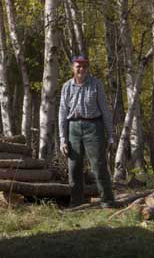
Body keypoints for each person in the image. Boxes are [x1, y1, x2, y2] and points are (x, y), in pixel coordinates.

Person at [58, 55, 115, 208]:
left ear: (87, 68)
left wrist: (110, 135)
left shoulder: (96, 84)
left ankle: (107, 201)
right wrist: (63, 139)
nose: (81, 69)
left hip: (93, 127)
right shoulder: (66, 87)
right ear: (73, 68)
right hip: (73, 128)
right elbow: (62, 113)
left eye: (84, 66)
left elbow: (105, 110)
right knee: (74, 166)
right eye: (78, 66)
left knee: (99, 165)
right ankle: (76, 202)